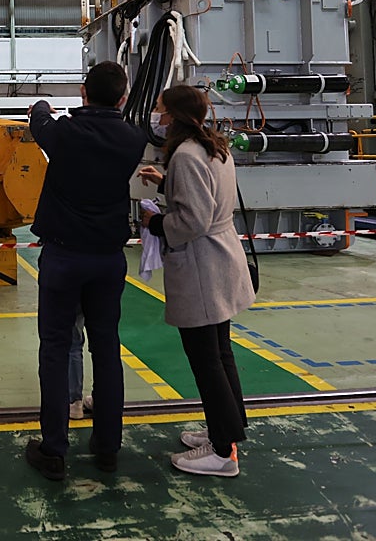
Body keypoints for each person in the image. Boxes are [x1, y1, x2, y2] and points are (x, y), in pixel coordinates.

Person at [25, 61, 148, 481]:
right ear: (123, 98)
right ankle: (108, 447)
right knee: (107, 349)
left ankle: (54, 450)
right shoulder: (133, 138)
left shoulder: (65, 133)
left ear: (83, 92)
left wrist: (43, 105)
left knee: (55, 349)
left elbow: (39, 121)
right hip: (108, 259)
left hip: (63, 257)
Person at [139, 85, 256, 478]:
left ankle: (222, 453)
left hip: (203, 266)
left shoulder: (186, 155)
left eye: (160, 108)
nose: (157, 116)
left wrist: (155, 222)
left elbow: (193, 219)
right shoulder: (214, 147)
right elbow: (207, 195)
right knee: (220, 352)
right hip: (222, 257)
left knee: (206, 359)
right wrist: (165, 182)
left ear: (174, 115)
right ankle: (228, 427)